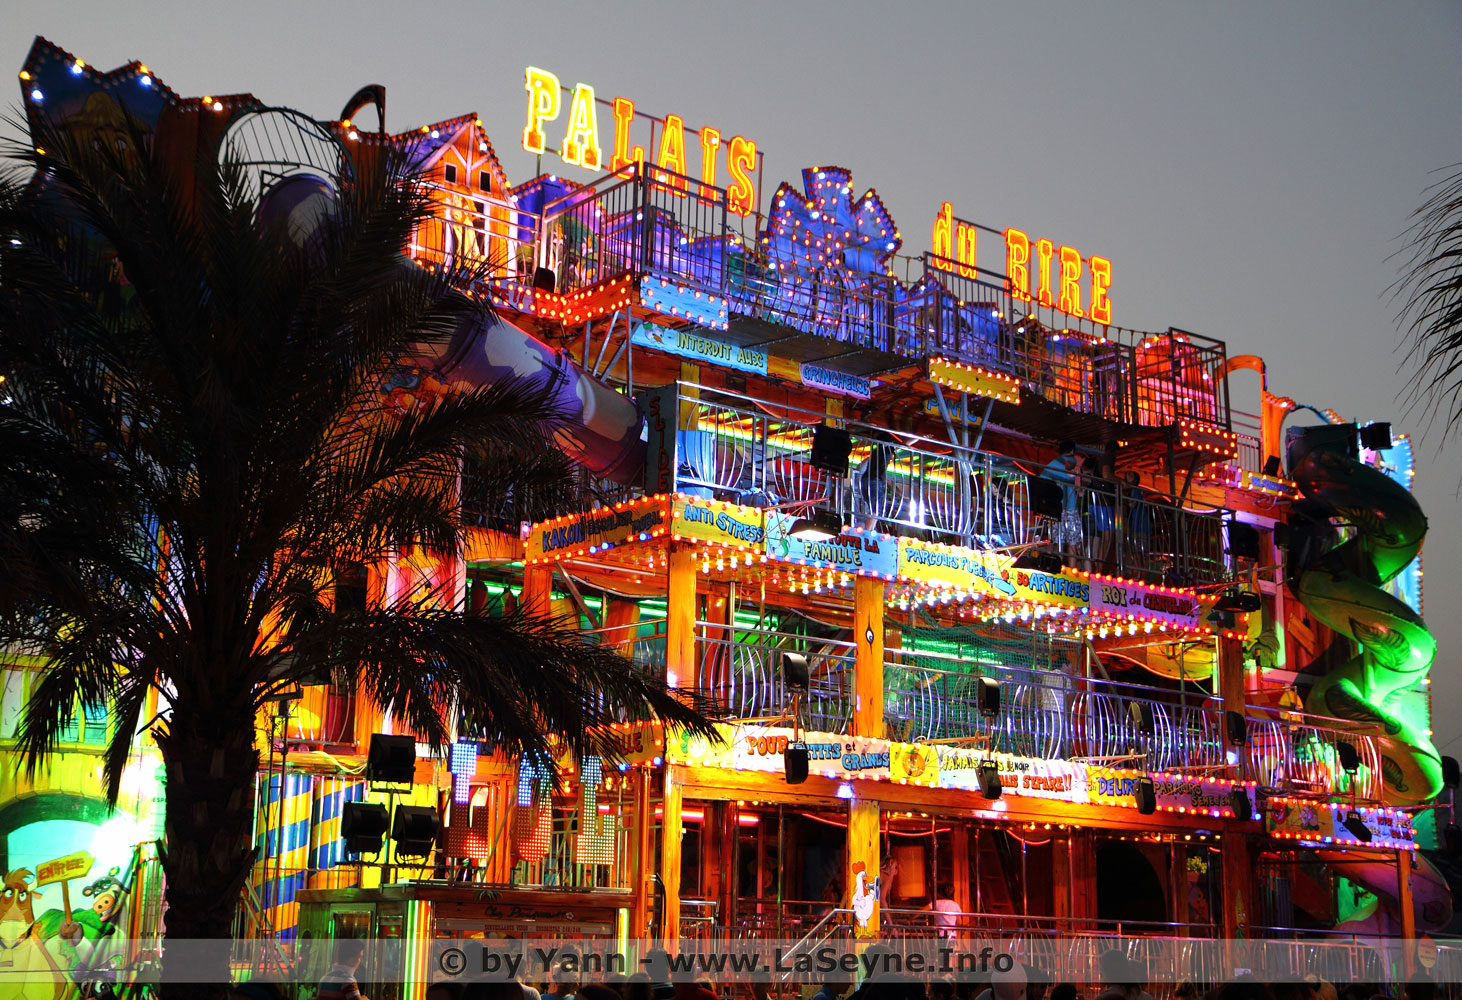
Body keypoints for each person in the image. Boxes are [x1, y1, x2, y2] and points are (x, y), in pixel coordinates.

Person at [1039, 441, 1084, 559]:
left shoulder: (1052, 464)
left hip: (1055, 508)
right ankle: (1072, 567)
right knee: (1073, 542)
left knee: (1057, 541)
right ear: (1072, 450)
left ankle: (1058, 565)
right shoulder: (1074, 461)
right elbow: (1076, 480)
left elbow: (1042, 481)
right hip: (1071, 506)